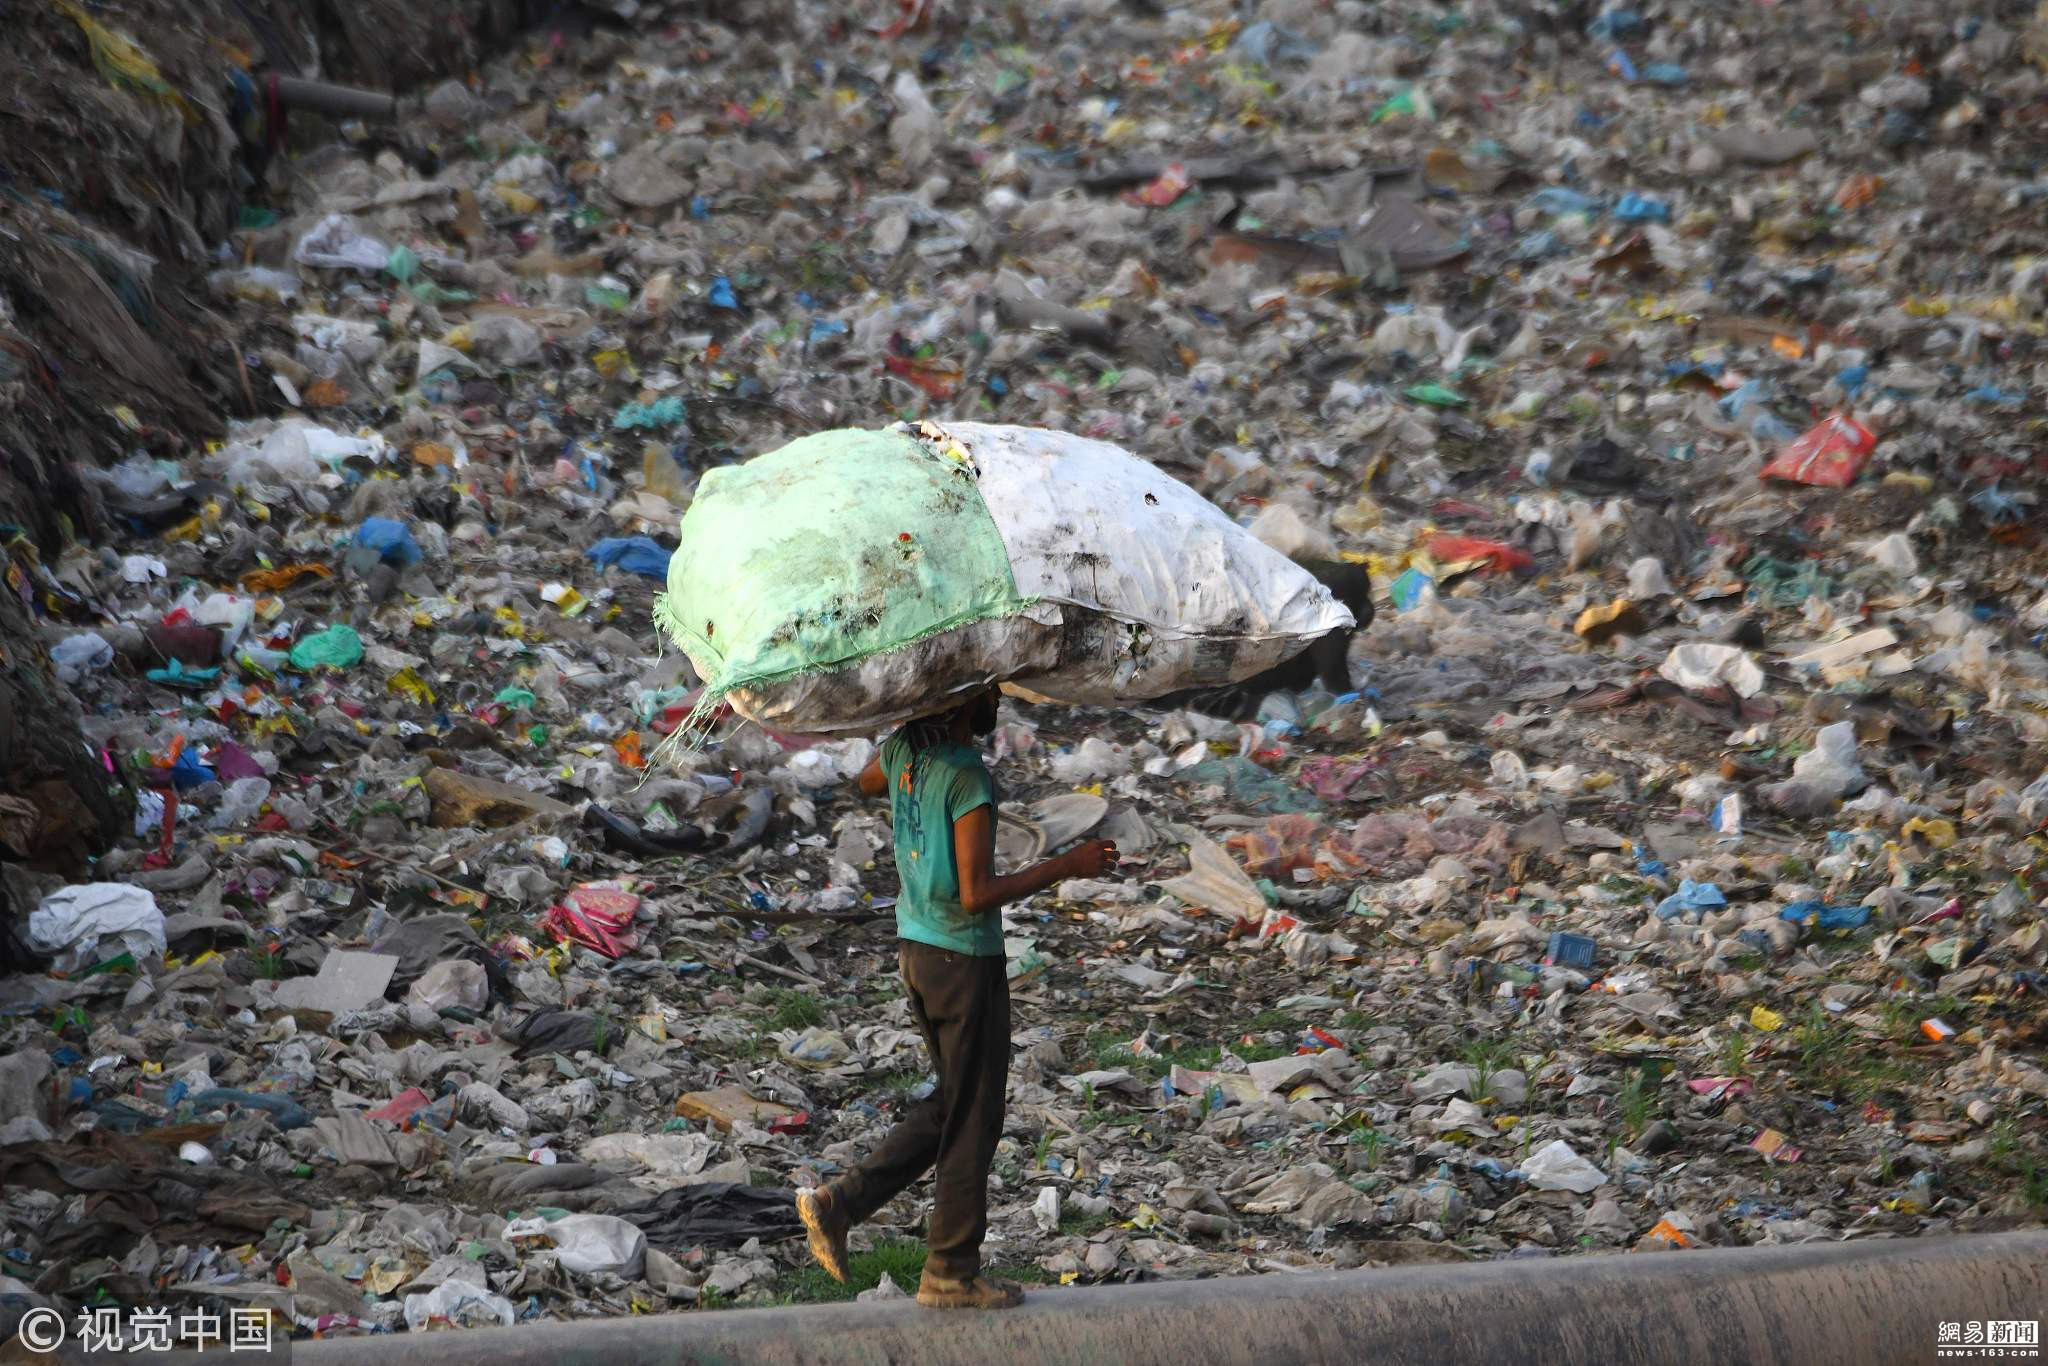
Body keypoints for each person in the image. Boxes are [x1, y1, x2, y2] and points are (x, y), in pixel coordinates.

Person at [796, 684, 1118, 1309]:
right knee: (974, 1117)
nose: (996, 696)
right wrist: (1068, 866)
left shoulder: (903, 755)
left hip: (917, 954)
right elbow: (975, 893)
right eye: (986, 688)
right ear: (962, 698)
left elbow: (866, 783)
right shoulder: (968, 775)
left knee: (952, 1102)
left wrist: (903, 746)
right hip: (963, 958)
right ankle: (951, 1270)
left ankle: (843, 1203)